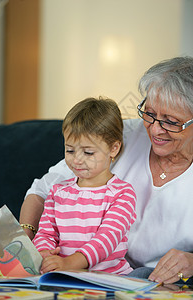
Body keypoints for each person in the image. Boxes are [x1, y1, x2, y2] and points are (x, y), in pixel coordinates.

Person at [20, 56, 193, 284]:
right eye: (149, 113)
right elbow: (44, 189)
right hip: (78, 269)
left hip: (151, 278)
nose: (155, 129)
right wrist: (27, 245)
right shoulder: (123, 136)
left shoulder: (121, 192)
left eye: (170, 121)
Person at [32, 97, 137, 275]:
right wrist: (45, 255)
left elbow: (106, 240)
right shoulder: (58, 192)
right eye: (70, 150)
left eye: (88, 152)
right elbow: (46, 234)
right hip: (64, 276)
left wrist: (69, 263)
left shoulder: (122, 193)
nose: (77, 159)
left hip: (111, 278)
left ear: (114, 149)